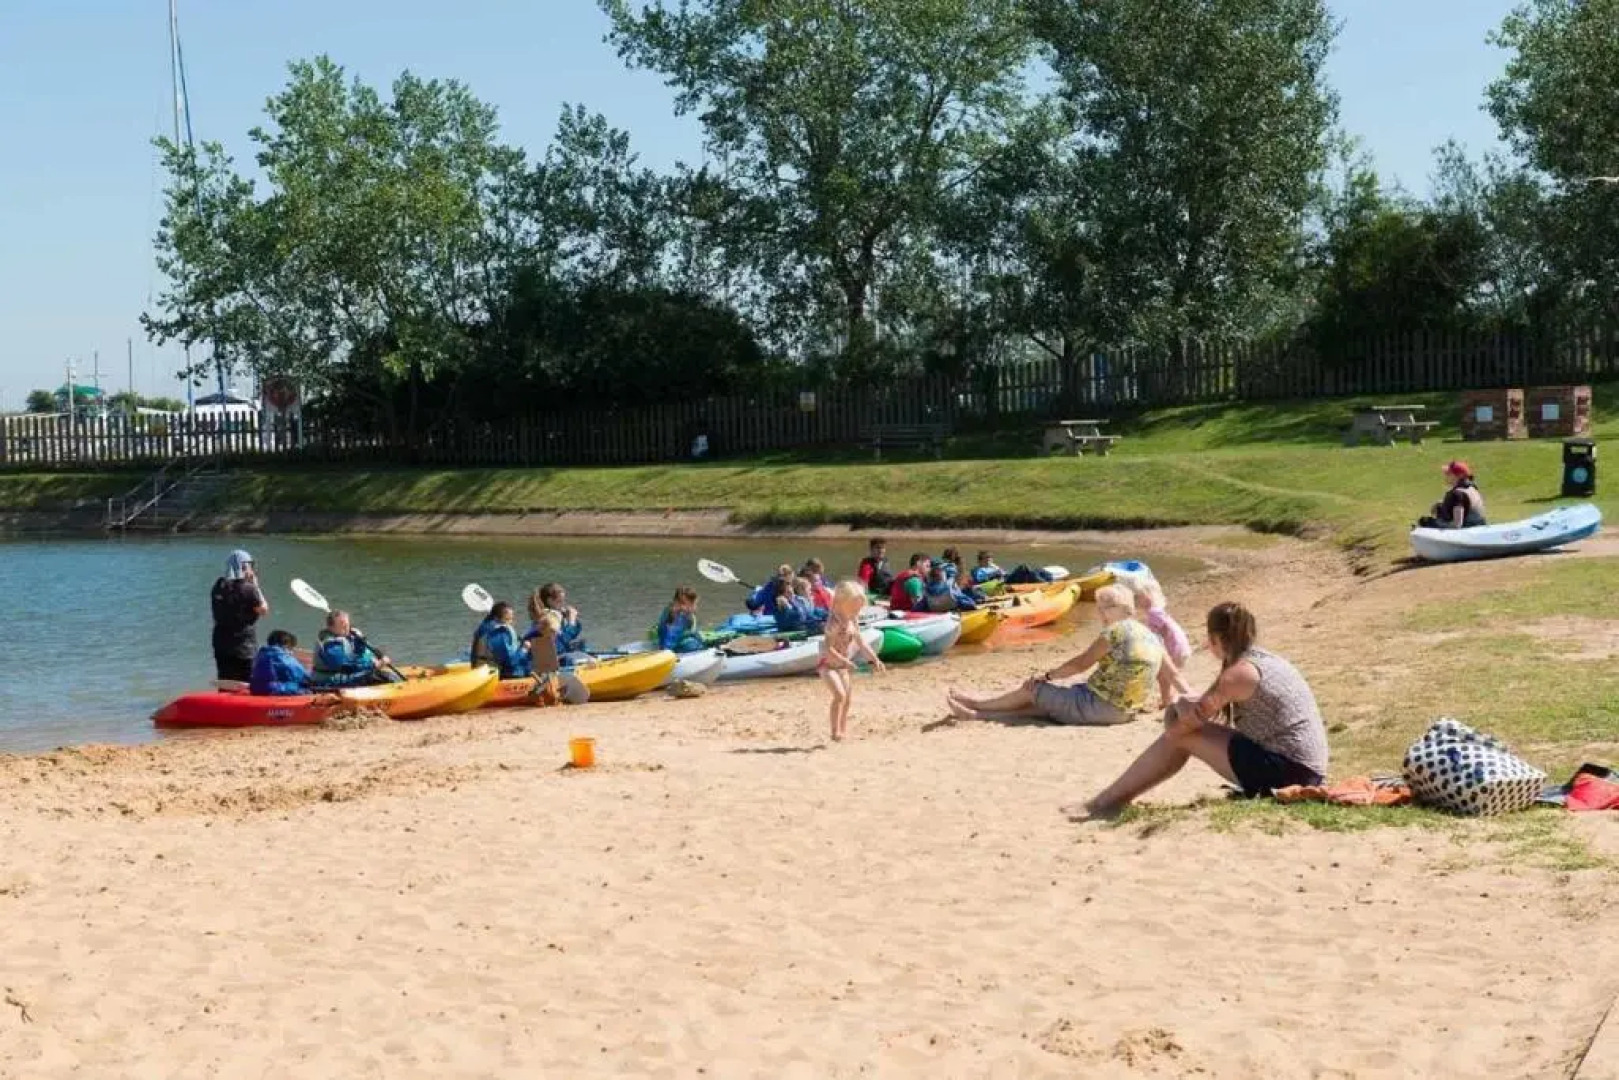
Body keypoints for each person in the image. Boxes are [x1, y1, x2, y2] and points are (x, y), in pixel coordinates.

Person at [1066, 601, 1330, 820]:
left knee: (1180, 736)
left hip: (1290, 774)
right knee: (1179, 726)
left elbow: (1192, 722)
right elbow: (1204, 707)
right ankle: (1109, 799)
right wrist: (1178, 710)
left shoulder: (1237, 674)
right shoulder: (1262, 661)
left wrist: (1172, 725)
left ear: (1215, 639)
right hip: (1305, 768)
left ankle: (1106, 801)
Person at [946, 585, 1168, 725]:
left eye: (1102, 607)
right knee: (1044, 707)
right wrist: (1166, 701)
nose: (1098, 612)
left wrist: (1047, 676)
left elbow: (1081, 663)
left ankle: (977, 704)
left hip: (1099, 707)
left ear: (1115, 608)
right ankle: (977, 715)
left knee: (1033, 689)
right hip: (1125, 711)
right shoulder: (1150, 635)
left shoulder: (1115, 631)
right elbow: (1168, 675)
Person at [819, 580, 886, 741]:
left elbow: (861, 644)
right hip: (828, 666)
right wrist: (845, 660)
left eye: (859, 607)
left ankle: (842, 730)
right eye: (855, 606)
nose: (858, 610)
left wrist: (875, 659)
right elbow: (828, 649)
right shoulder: (833, 623)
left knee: (848, 700)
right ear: (843, 603)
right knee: (839, 696)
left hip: (843, 668)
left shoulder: (853, 621)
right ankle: (834, 731)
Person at [1123, 577, 1193, 705]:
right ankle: (1171, 698)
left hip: (1174, 649)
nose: (1135, 601)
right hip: (1180, 648)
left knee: (1164, 676)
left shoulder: (1153, 613)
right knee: (1170, 675)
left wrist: (1161, 645)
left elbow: (1165, 629)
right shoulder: (1156, 611)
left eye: (1137, 597)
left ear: (1148, 597)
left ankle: (1167, 700)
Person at [211, 549, 268, 682]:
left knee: (226, 681)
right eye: (249, 566)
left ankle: (223, 701)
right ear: (244, 567)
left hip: (220, 643)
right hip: (243, 645)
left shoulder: (218, 585)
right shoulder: (248, 588)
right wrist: (256, 586)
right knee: (247, 682)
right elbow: (264, 610)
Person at [312, 610, 396, 688]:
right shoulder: (330, 645)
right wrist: (374, 665)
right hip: (329, 681)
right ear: (331, 627)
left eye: (347, 624)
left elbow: (359, 656)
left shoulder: (348, 636)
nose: (346, 627)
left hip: (345, 675)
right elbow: (347, 666)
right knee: (385, 678)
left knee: (387, 675)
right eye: (341, 624)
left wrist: (361, 645)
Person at [472, 601, 532, 679]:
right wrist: (524, 649)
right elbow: (511, 662)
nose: (511, 622)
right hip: (509, 675)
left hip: (487, 672)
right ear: (497, 618)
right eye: (508, 619)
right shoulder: (500, 633)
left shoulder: (485, 627)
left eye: (512, 619)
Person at [1419, 461, 1487, 529]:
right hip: (1480, 527)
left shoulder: (1457, 494)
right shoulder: (1472, 488)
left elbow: (1457, 525)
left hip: (1467, 531)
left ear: (1459, 476)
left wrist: (1433, 524)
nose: (1445, 476)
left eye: (1448, 474)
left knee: (1425, 521)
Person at [250, 630, 311, 697]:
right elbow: (303, 676)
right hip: (273, 690)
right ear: (286, 645)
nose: (291, 652)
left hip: (255, 689)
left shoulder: (260, 654)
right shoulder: (284, 658)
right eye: (291, 648)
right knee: (303, 688)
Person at [533, 582, 587, 655]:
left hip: (558, 652)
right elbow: (559, 643)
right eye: (559, 601)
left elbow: (572, 635)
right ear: (549, 601)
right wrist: (571, 622)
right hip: (553, 656)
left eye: (563, 601)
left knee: (582, 646)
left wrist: (573, 621)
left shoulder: (556, 614)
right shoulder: (548, 617)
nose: (562, 604)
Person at [653, 586, 706, 652]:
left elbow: (693, 631)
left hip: (677, 639)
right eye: (692, 604)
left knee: (697, 640)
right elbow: (669, 637)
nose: (695, 607)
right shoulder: (677, 616)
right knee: (692, 644)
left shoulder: (683, 613)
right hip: (673, 646)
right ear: (679, 604)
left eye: (695, 604)